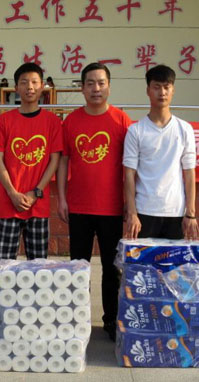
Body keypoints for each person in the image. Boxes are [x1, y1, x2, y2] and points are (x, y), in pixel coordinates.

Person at [56, 62, 132, 342]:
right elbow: (63, 162)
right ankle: (78, 320)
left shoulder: (121, 120)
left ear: (109, 86)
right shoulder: (71, 121)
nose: (96, 89)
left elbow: (130, 166)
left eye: (101, 83)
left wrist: (129, 203)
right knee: (78, 268)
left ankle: (111, 320)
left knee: (112, 269)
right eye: (90, 83)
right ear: (82, 88)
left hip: (112, 208)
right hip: (79, 207)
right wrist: (61, 198)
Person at [0, 63, 63, 268]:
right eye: (24, 82)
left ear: (42, 87)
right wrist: (12, 193)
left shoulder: (52, 121)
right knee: (4, 267)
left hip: (38, 206)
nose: (30, 87)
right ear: (16, 88)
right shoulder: (4, 120)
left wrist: (36, 192)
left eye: (34, 82)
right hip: (8, 205)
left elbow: (54, 160)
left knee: (38, 269)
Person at [123, 65, 199, 241]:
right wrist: (132, 213)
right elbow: (129, 174)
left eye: (166, 87)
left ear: (173, 90)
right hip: (144, 211)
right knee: (142, 260)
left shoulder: (184, 129)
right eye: (156, 87)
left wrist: (191, 213)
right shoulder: (136, 131)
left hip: (175, 212)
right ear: (148, 90)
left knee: (174, 260)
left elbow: (189, 173)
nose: (162, 92)